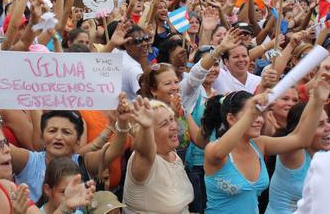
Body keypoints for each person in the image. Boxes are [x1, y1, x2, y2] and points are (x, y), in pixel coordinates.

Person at [202, 70, 330, 213]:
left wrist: (318, 101)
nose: (259, 120)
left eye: (260, 114)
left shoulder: (259, 144)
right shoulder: (213, 150)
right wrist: (253, 111)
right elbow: (220, 152)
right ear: (231, 118)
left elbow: (301, 140)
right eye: (253, 114)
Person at [11, 100, 131, 202]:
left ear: (78, 140)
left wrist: (123, 121)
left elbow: (114, 151)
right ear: (42, 136)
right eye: (52, 131)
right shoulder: (27, 161)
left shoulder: (83, 163)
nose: (58, 136)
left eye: (66, 132)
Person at [123, 96, 194, 214]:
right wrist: (146, 128)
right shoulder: (143, 160)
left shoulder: (173, 155)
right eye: (164, 124)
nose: (174, 127)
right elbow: (144, 152)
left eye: (172, 119)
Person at [265, 100, 330, 214]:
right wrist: (316, 99)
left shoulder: (324, 155)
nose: (328, 127)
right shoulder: (292, 155)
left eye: (328, 121)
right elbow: (298, 135)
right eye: (320, 124)